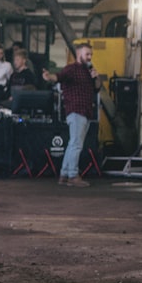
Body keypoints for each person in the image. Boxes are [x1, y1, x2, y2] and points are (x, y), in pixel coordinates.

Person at [42, 42, 100, 187]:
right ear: (79, 54)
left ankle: (64, 174)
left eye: (90, 54)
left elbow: (97, 88)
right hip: (76, 110)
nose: (89, 57)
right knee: (76, 144)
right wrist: (49, 77)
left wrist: (96, 77)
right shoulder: (71, 69)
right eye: (87, 54)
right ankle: (73, 175)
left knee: (73, 144)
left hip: (85, 111)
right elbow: (59, 77)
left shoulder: (88, 71)